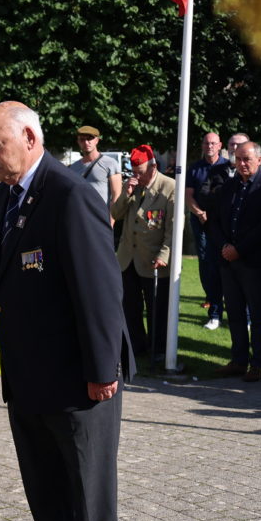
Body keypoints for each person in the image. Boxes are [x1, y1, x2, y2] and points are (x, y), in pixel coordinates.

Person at [0, 101, 132, 521]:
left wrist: (102, 370)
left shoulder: (70, 196)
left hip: (77, 375)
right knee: (44, 480)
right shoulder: (1, 196)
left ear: (28, 136)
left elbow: (99, 291)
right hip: (28, 373)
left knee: (87, 483)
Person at [209, 141, 261, 382]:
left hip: (253, 260)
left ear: (259, 160)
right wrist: (224, 247)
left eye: (246, 159)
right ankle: (238, 360)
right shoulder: (228, 187)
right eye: (238, 159)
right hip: (227, 261)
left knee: (257, 312)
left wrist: (239, 249)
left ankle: (257, 363)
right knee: (235, 312)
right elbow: (215, 221)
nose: (241, 164)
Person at [112, 144, 174, 361]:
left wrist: (164, 255)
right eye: (134, 172)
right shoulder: (133, 186)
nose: (137, 177)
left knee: (156, 308)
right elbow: (116, 213)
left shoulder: (169, 187)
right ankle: (136, 347)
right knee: (130, 306)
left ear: (153, 167)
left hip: (153, 259)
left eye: (141, 172)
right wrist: (126, 193)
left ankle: (158, 349)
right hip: (128, 258)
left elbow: (173, 229)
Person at [186, 132, 227, 329]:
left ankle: (238, 312)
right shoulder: (194, 169)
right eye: (206, 143)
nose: (209, 146)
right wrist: (200, 213)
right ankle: (215, 311)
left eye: (213, 143)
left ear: (219, 145)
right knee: (207, 263)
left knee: (226, 264)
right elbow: (188, 196)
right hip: (201, 222)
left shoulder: (228, 167)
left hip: (223, 224)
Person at [67, 125, 123, 212]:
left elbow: (116, 197)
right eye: (82, 139)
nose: (86, 142)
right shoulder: (73, 168)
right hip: (79, 217)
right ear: (78, 141)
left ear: (96, 140)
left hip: (100, 219)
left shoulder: (110, 164)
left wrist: (111, 222)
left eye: (90, 138)